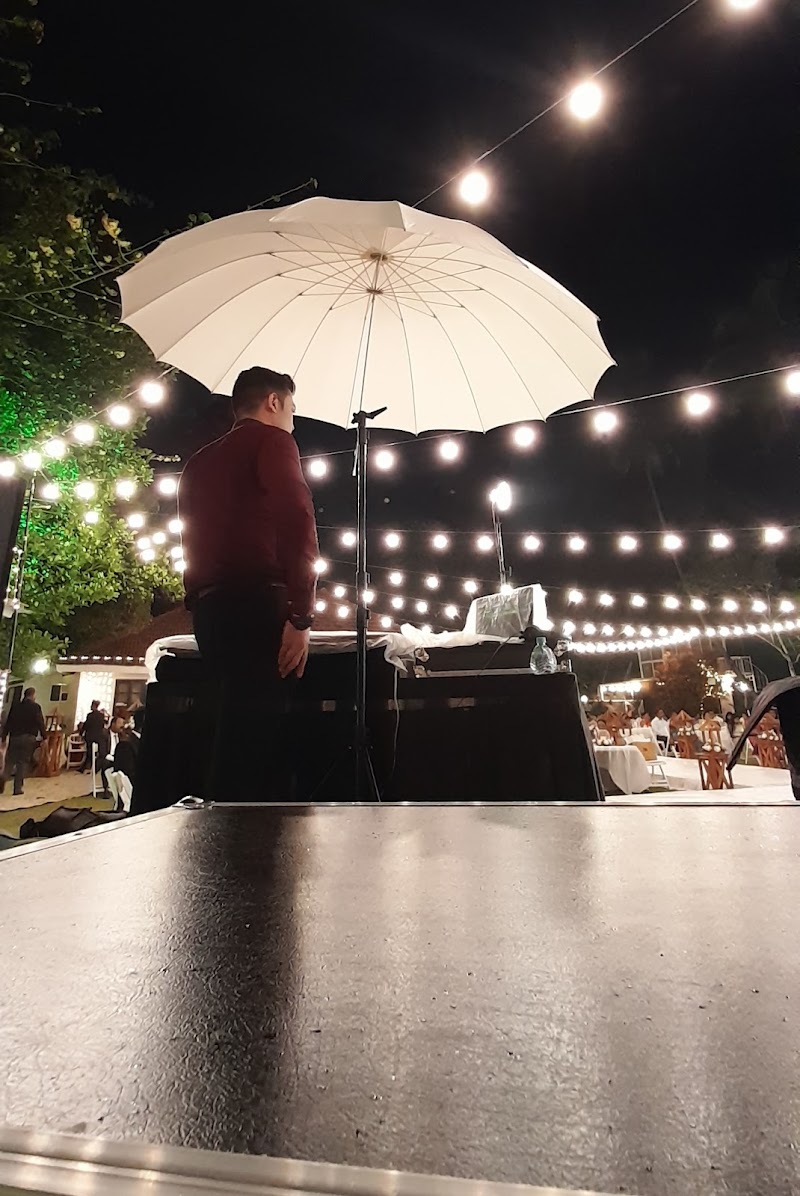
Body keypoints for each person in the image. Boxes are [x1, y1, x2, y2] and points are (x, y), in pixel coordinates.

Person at [179, 366, 318, 800]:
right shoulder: (274, 441)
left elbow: (193, 541)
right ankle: (250, 841)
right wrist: (301, 614)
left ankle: (219, 833)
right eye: (291, 408)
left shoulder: (197, 463)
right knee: (262, 746)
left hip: (209, 612)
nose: (293, 420)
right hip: (260, 607)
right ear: (273, 402)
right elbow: (298, 520)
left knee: (230, 736)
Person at [0, 687, 45, 796]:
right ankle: (17, 788)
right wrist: (45, 737)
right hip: (28, 738)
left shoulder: (16, 706)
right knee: (22, 763)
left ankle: (1, 784)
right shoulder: (36, 707)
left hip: (14, 737)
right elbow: (40, 722)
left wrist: (4, 737)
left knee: (9, 762)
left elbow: (8, 722)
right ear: (32, 695)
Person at [79, 700, 106, 773]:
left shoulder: (90, 715)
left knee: (89, 752)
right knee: (95, 752)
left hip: (90, 736)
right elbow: (102, 725)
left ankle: (86, 766)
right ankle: (93, 766)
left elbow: (86, 726)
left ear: (93, 706)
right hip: (99, 736)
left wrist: (81, 732)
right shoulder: (101, 715)